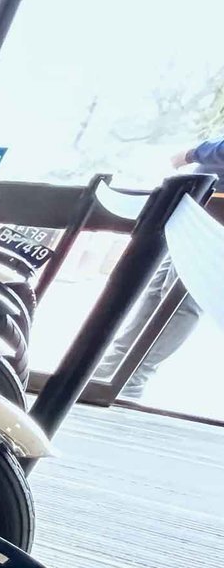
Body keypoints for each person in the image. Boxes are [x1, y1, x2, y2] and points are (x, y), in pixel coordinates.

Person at [95, 136, 224, 400]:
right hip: (202, 211)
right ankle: (114, 369)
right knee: (158, 292)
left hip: (214, 218)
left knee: (183, 298)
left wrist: (192, 153)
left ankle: (131, 377)